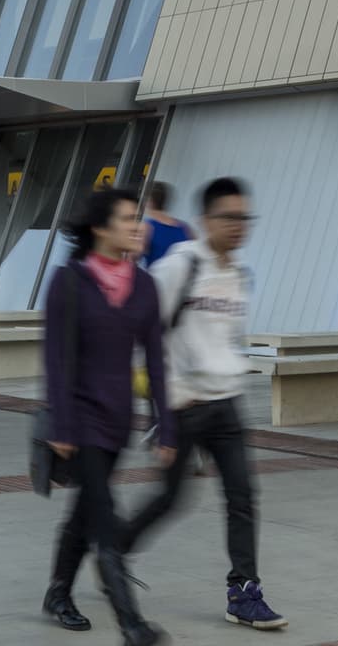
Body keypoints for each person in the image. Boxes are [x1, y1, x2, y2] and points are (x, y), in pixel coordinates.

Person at [116, 177, 285, 631]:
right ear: (206, 220)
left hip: (226, 402)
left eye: (244, 217)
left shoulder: (239, 274)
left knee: (243, 497)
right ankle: (114, 549)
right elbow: (146, 334)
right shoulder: (179, 268)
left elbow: (226, 338)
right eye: (229, 217)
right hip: (183, 405)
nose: (238, 226)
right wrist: (163, 410)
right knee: (172, 499)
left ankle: (244, 592)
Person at [41, 187, 174, 646]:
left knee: (85, 511)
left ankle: (58, 591)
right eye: (125, 218)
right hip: (79, 420)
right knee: (103, 515)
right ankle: (131, 625)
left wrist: (166, 426)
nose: (136, 225)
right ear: (100, 228)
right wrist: (60, 424)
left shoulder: (144, 285)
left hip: (118, 421)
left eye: (136, 218)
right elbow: (55, 359)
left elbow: (156, 360)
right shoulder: (69, 281)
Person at [139, 183, 193, 268]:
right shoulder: (185, 228)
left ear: (149, 201)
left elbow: (132, 258)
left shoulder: (147, 227)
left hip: (155, 279)